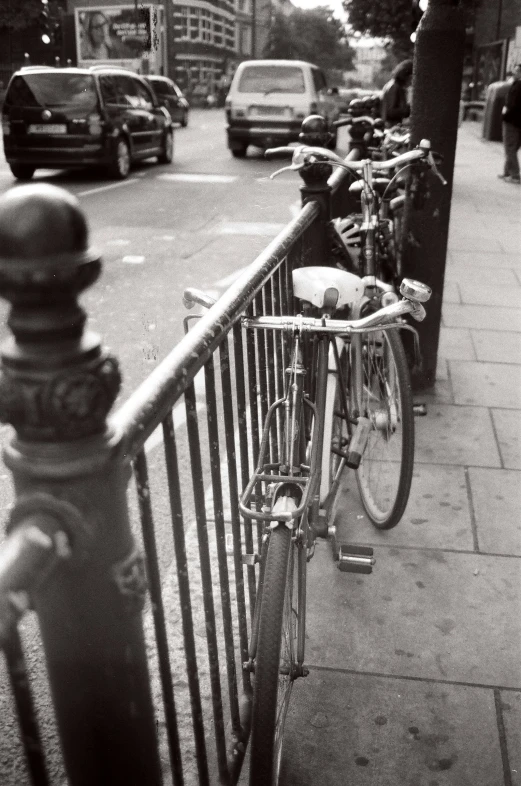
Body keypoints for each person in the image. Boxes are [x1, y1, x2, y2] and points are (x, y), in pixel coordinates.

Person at [498, 63, 521, 184]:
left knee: (509, 148)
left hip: (512, 121)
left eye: (517, 71)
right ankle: (507, 171)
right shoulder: (516, 84)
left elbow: (512, 105)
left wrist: (504, 116)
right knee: (513, 147)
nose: (514, 73)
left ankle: (515, 175)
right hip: (517, 122)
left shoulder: (518, 86)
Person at [380, 60, 413, 126]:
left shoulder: (395, 85)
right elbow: (390, 111)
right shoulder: (394, 87)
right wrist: (409, 109)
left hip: (393, 124)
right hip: (391, 126)